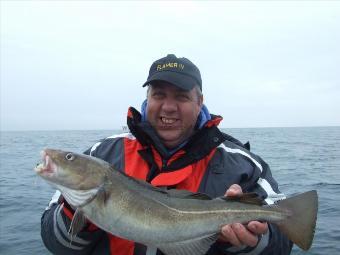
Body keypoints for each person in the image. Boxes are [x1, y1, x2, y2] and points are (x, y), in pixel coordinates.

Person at [41, 54, 293, 255]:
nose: (169, 107)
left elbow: (284, 241)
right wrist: (78, 212)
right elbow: (56, 244)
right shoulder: (102, 153)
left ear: (200, 101)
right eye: (159, 94)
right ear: (147, 98)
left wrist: (249, 242)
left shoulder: (243, 164)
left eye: (181, 97)